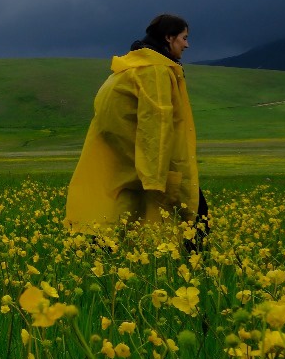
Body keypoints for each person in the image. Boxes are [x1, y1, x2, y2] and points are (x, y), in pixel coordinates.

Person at [65, 13, 201, 241]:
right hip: (147, 164)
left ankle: (102, 256)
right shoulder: (154, 71)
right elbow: (156, 124)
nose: (187, 44)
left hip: (127, 159)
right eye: (184, 38)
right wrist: (157, 180)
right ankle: (198, 267)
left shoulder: (132, 67)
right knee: (192, 216)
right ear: (169, 38)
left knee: (118, 213)